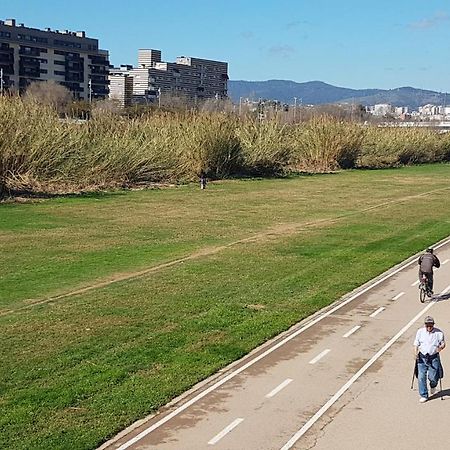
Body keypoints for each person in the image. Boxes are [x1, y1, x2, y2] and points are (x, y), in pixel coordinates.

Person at [413, 316, 445, 403]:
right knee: (421, 377)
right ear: (425, 325)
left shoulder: (439, 333)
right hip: (422, 357)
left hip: (433, 357)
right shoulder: (420, 332)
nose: (429, 327)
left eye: (431, 325)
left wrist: (441, 348)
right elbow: (416, 343)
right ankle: (424, 395)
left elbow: (443, 344)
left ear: (433, 325)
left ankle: (433, 385)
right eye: (427, 325)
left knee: (433, 377)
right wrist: (415, 353)